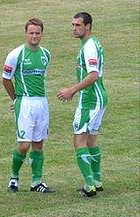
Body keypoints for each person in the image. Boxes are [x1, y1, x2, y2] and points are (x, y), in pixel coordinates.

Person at [57, 12, 108, 197]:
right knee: (91, 140)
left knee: (79, 140)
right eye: (73, 25)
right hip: (99, 97)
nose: (74, 28)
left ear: (88, 26)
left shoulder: (89, 47)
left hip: (90, 99)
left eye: (78, 25)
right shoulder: (92, 44)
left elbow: (93, 75)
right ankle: (97, 180)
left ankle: (89, 186)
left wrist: (72, 90)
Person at [2, 18, 54, 194]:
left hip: (41, 102)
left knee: (38, 143)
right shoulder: (16, 54)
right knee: (24, 145)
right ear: (25, 33)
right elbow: (6, 79)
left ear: (42, 34)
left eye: (37, 33)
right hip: (25, 103)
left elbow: (42, 78)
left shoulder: (46, 54)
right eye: (31, 33)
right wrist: (16, 98)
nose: (34, 36)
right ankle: (14, 177)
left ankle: (36, 181)